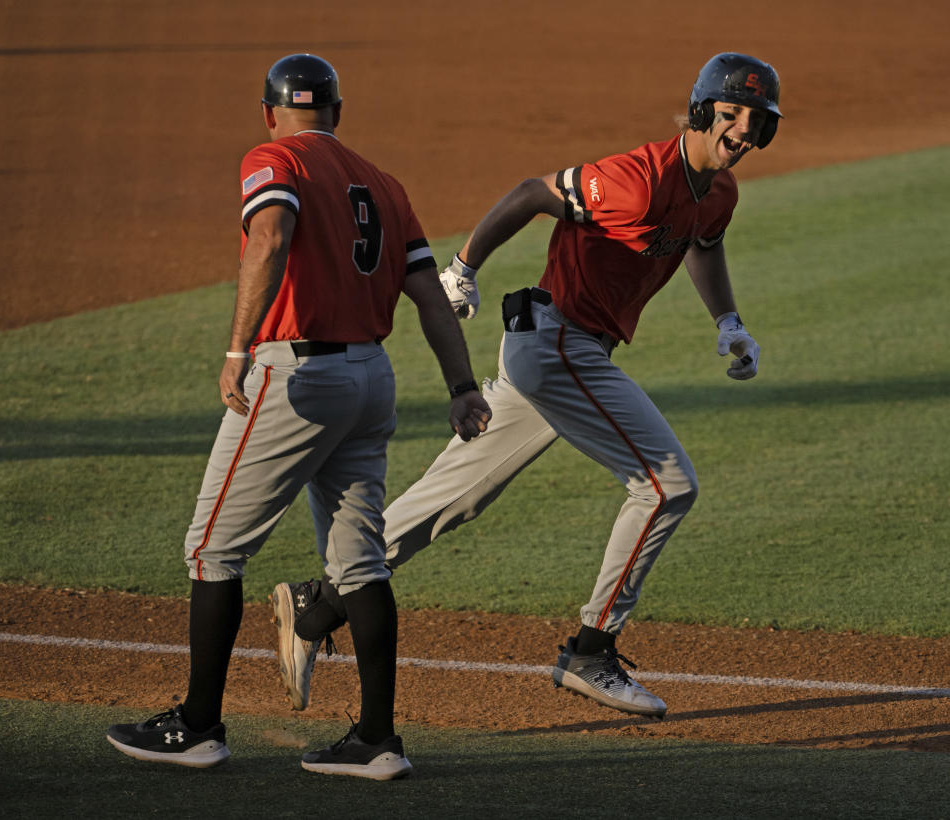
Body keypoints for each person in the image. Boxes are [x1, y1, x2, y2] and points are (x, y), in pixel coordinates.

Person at [273, 52, 781, 721]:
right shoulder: (633, 180)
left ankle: (316, 608)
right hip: (557, 344)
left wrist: (728, 321)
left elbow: (703, 246)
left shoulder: (720, 194)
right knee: (667, 486)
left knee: (454, 498)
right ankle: (591, 651)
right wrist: (463, 267)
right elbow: (535, 193)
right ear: (700, 109)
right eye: (731, 114)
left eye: (758, 123)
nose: (742, 131)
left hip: (557, 353)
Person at [105, 53, 491, 780]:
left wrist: (237, 347)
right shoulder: (382, 182)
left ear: (269, 112)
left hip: (299, 375)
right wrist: (462, 384)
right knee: (359, 562)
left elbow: (271, 237)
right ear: (338, 113)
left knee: (212, 549)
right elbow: (430, 295)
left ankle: (197, 727)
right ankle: (377, 740)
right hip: (373, 378)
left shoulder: (271, 156)